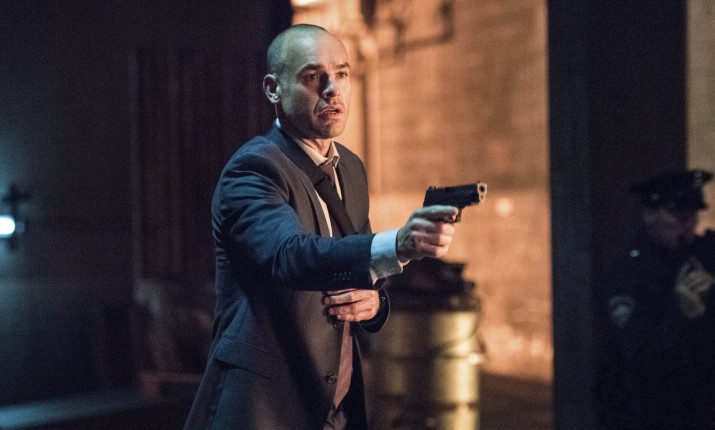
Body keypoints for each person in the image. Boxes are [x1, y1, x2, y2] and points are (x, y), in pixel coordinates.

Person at [183, 24, 459, 430]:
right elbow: (290, 256)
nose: (333, 89)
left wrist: (374, 304)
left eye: (342, 74)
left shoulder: (350, 168)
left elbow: (354, 268)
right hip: (266, 407)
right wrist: (398, 244)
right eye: (313, 77)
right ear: (273, 89)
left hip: (334, 405)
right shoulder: (254, 169)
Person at [597, 169, 715, 430]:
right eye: (677, 214)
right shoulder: (630, 276)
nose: (688, 224)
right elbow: (641, 357)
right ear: (650, 215)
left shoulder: (703, 254)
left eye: (693, 214)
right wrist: (681, 313)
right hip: (655, 414)